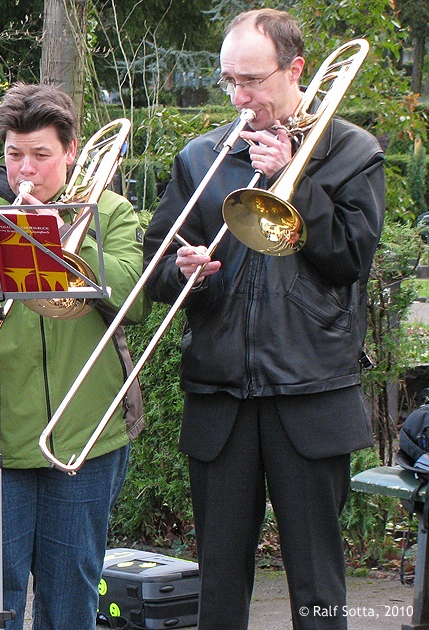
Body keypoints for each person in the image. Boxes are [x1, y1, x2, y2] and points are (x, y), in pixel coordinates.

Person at [142, 9, 385, 630]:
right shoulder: (201, 156)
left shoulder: (351, 151)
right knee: (219, 586)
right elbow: (155, 266)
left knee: (318, 584)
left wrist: (292, 182)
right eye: (229, 81)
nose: (239, 97)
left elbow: (350, 259)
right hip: (220, 395)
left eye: (251, 80)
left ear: (295, 69)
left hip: (311, 392)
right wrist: (184, 269)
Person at [0, 83, 148, 630]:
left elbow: (135, 298)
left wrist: (66, 240)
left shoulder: (108, 212)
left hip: (86, 438)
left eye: (41, 155)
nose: (26, 170)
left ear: (70, 152)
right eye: (14, 154)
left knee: (72, 598)